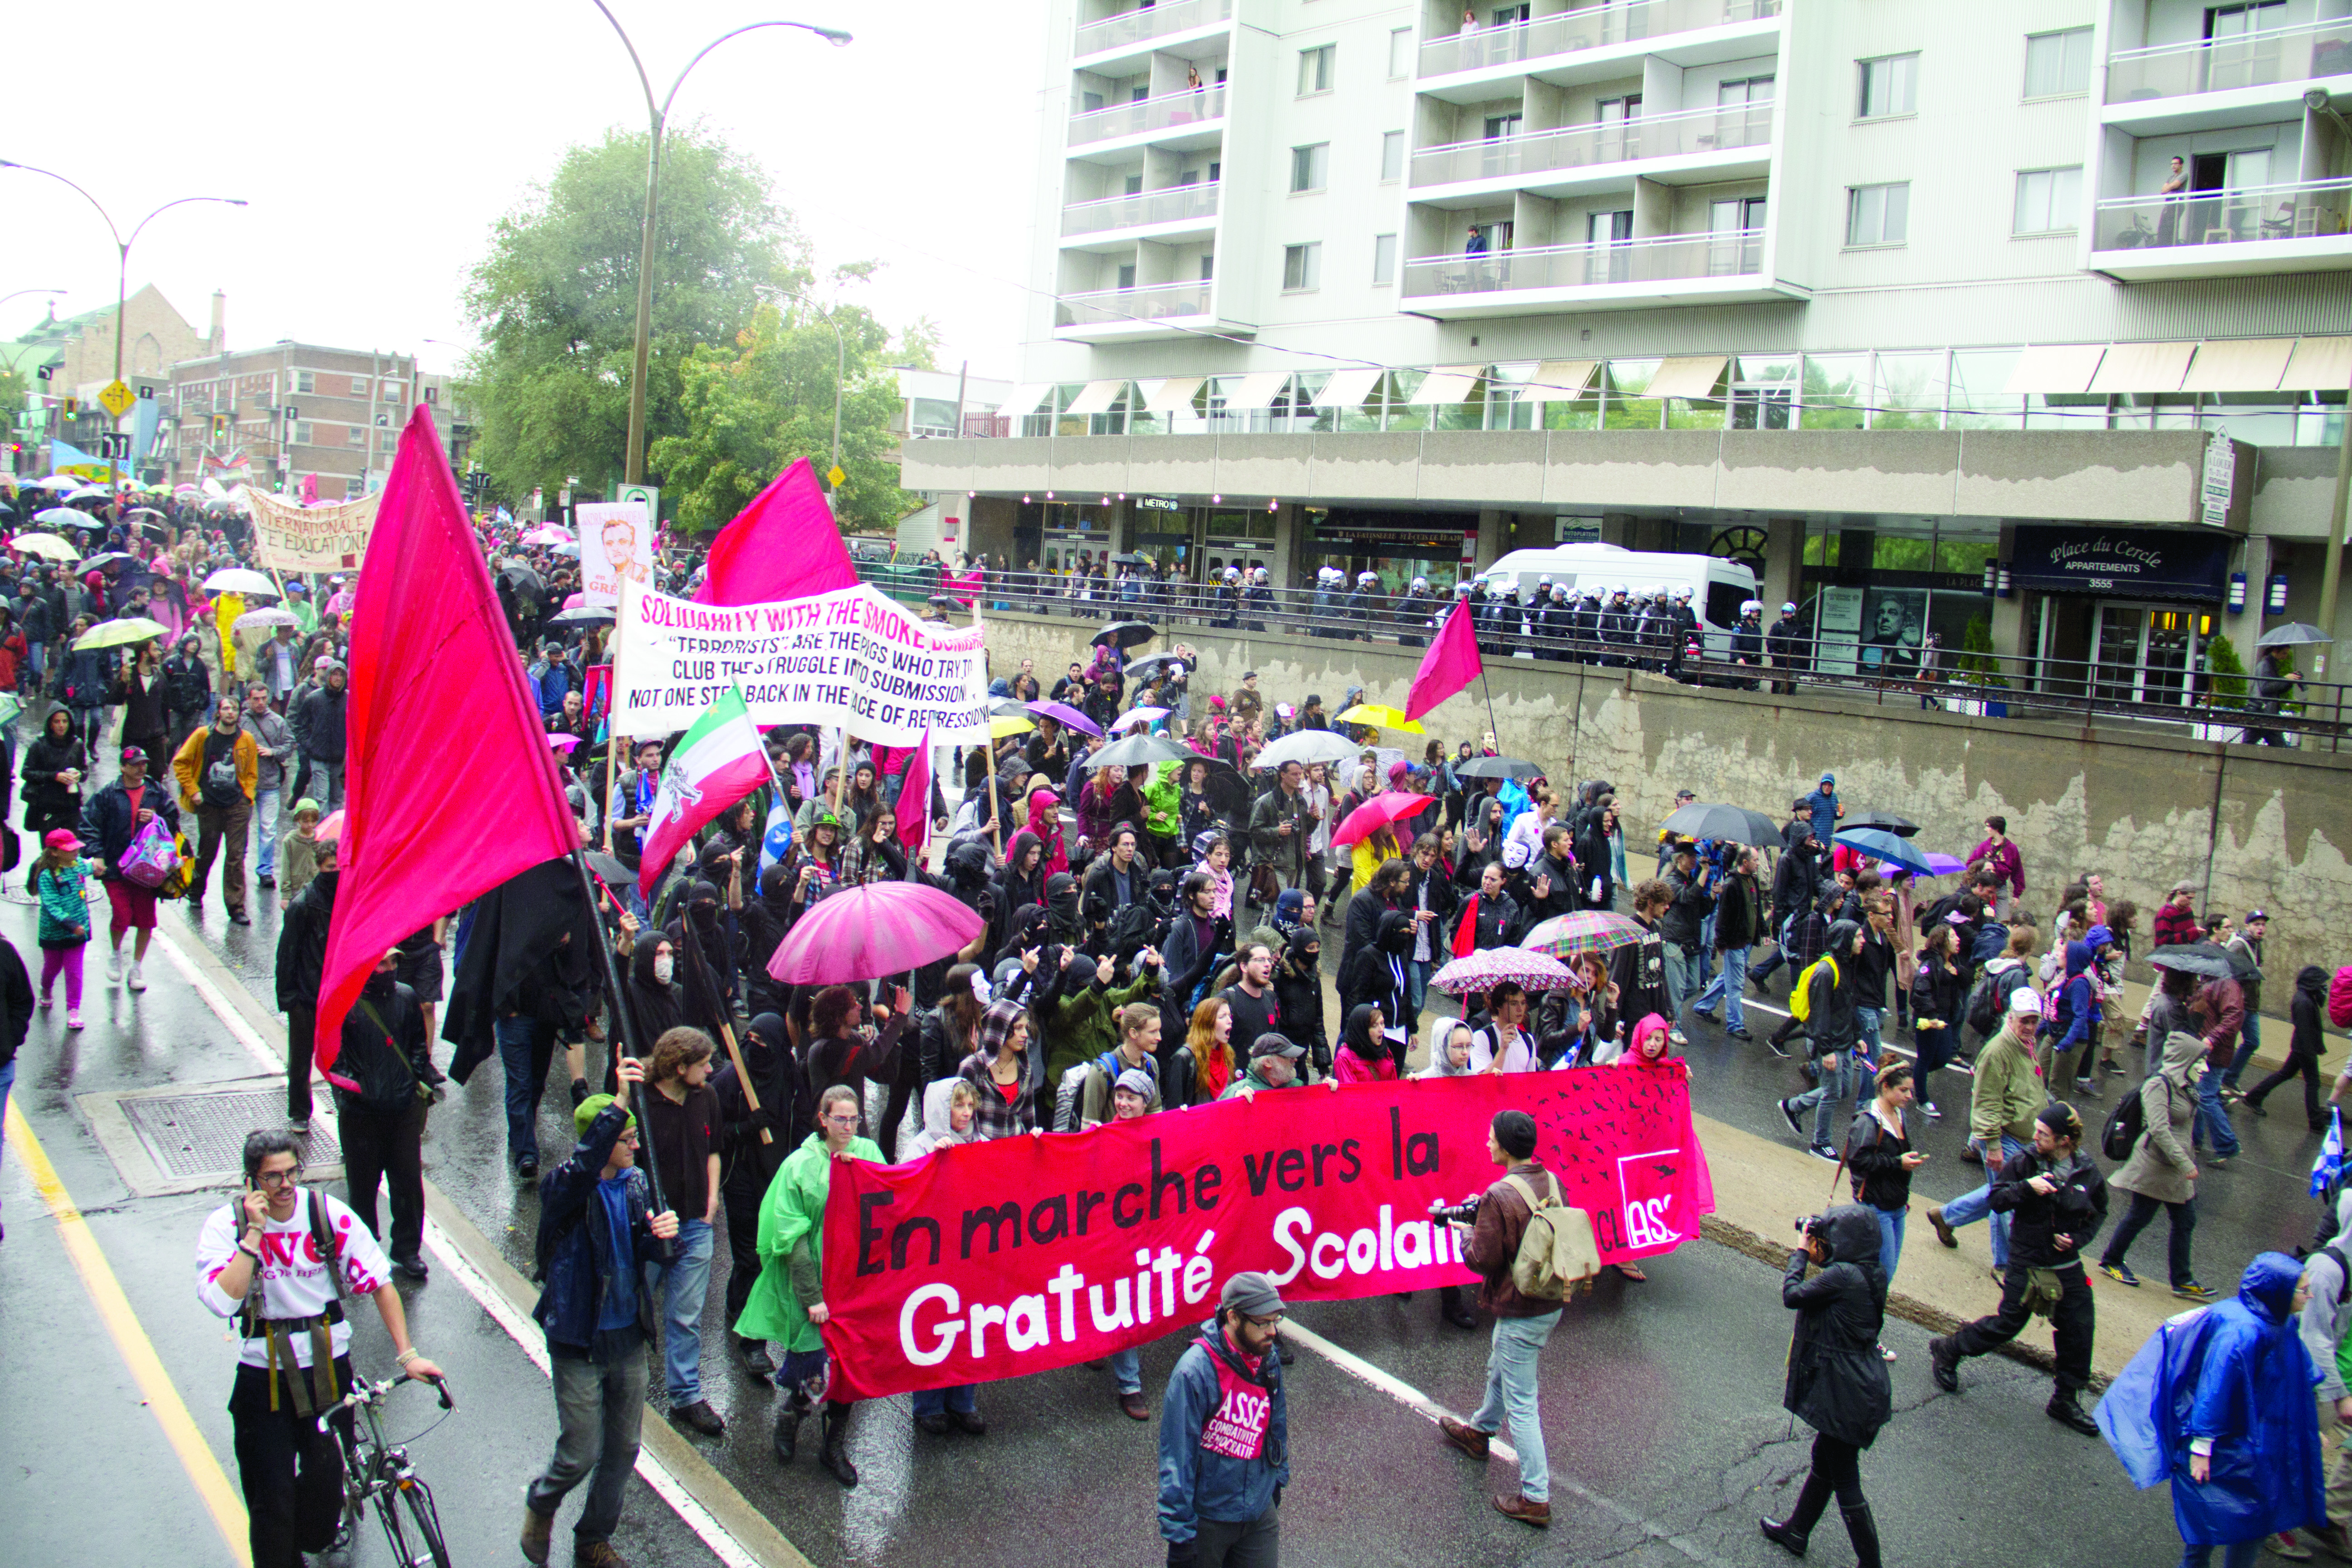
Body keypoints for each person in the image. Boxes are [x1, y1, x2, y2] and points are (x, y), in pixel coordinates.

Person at [197, 1129, 444, 1568]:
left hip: (329, 1375)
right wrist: (253, 1237)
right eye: (273, 1177)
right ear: (251, 1181)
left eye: (293, 1172)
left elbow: (381, 1284)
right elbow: (222, 1301)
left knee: (322, 1500)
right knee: (271, 1505)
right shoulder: (226, 1226)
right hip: (262, 1381)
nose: (286, 1185)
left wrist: (408, 1355)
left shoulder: (327, 1215)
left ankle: (309, 1528)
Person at [521, 1060, 680, 1567]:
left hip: (626, 1335)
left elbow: (637, 1253)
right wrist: (619, 1101)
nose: (636, 1146)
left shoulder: (635, 1186)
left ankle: (592, 1537)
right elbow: (586, 1163)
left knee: (624, 1448)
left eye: (635, 1137)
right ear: (599, 1139)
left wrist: (657, 1240)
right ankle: (543, 1501)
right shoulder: (565, 1187)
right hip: (579, 1336)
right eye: (626, 1137)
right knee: (581, 1451)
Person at [2135, 1254, 2329, 1568]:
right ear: (2280, 1291)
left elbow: (2294, 1377)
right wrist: (2202, 1447)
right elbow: (2216, 1389)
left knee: (2245, 1522)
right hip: (2227, 1448)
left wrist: (2308, 1427)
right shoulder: (2244, 1332)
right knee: (2211, 1527)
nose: (2310, 1296)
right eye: (2304, 1290)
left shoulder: (2281, 1322)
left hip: (2252, 1444)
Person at [1929, 1102, 2107, 1434]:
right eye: (2036, 1131)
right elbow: (1996, 1201)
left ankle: (2065, 1399)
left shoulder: (2086, 1170)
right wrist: (2028, 1188)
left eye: (2044, 1134)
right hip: (2027, 1258)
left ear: (2065, 1141)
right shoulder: (2025, 1162)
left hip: (2066, 1262)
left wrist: (2077, 1239)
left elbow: (2098, 1212)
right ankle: (1949, 1349)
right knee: (2010, 1322)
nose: (2036, 1137)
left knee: (2080, 1327)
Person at [738, 1083, 883, 1487]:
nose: (850, 1127)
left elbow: (895, 1198)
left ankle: (833, 1447)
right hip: (818, 1286)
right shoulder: (799, 1167)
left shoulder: (868, 1154)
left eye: (855, 1119)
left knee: (851, 1371)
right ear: (823, 1120)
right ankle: (792, 1416)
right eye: (841, 1119)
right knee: (816, 1368)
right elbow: (792, 1238)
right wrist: (813, 1297)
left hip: (855, 1287)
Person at [1436, 1109, 1563, 1527]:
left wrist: (1465, 1233)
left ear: (1507, 1148)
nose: (1486, 1143)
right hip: (1550, 1300)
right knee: (1500, 1366)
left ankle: (1536, 1496)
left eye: (1491, 1138)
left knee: (1523, 1404)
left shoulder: (1498, 1195)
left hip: (1519, 1307)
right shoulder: (1548, 1179)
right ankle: (1479, 1432)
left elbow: (1481, 1260)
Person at [1758, 1206, 1891, 1567]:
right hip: (1862, 1385)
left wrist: (1801, 1252)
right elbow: (1831, 1285)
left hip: (1846, 1394)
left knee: (1845, 1478)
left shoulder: (1844, 1276)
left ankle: (1871, 1564)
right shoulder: (1872, 1272)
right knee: (1824, 1461)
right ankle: (1797, 1532)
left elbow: (1793, 1295)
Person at [1158, 1270, 1291, 1568]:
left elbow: (1276, 1424)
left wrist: (1277, 1480)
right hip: (1210, 1519)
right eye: (1263, 1322)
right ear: (1233, 1318)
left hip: (1258, 1511)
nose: (1273, 1332)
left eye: (1275, 1321)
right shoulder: (1193, 1373)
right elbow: (1177, 1459)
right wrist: (1180, 1539)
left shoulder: (1267, 1358)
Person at [638, 1026, 727, 1437]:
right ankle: (620, 1384)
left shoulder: (705, 1097)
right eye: (704, 1063)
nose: (711, 1070)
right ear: (679, 1067)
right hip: (649, 1227)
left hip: (695, 1223)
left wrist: (711, 1199)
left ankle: (685, 1394)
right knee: (631, 1307)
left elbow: (713, 1149)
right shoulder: (642, 1102)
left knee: (686, 1315)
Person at [1926, 986, 2046, 1274]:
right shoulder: (1998, 1052)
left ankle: (1946, 1216)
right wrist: (1992, 1145)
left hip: (2022, 1139)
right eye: (2024, 1021)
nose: (2030, 1027)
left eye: (2034, 1021)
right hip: (2004, 1138)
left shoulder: (2025, 1046)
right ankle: (2005, 1265)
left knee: (2000, 1192)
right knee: (2008, 1201)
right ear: (2011, 1018)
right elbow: (1986, 1102)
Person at [2101, 1031, 2210, 1298]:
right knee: (2141, 1216)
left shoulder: (2186, 1087)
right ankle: (2112, 1260)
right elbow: (2159, 1130)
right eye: (2199, 1063)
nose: (2205, 1069)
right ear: (2184, 1062)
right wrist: (2186, 1164)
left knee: (2185, 1221)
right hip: (2156, 1165)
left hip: (2175, 1168)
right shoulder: (2158, 1085)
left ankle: (2182, 1280)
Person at [79, 743, 179, 994]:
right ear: (123, 767)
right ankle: (115, 953)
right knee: (122, 914)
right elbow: (89, 824)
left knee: (146, 919)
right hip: (115, 867)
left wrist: (156, 819)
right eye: (135, 765)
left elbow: (173, 821)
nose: (141, 769)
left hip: (147, 868)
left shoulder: (156, 792)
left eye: (144, 764)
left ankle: (136, 967)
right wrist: (97, 856)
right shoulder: (107, 794)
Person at [1779, 920, 1863, 1161]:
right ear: (1845, 940)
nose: (1863, 941)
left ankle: (1793, 1106)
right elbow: (1819, 1015)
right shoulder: (1826, 973)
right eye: (1858, 937)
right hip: (1831, 1046)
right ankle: (1820, 1143)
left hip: (1844, 1042)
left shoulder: (1846, 964)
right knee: (1831, 1093)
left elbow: (1847, 1005)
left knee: (1842, 1090)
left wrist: (1856, 1037)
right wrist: (1826, 1051)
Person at [172, 692, 259, 923]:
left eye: (235, 709)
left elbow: (251, 772)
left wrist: (247, 796)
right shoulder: (203, 735)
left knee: (236, 855)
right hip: (209, 804)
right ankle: (195, 892)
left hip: (236, 805)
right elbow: (180, 763)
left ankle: (236, 906)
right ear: (218, 712)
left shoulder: (246, 739)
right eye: (226, 708)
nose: (231, 713)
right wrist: (193, 791)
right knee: (207, 853)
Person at [1845, 1061, 1926, 1303]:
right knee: (1882, 1276)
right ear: (1886, 1087)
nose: (1910, 1096)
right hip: (1875, 1207)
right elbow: (1858, 1162)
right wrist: (1897, 1163)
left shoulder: (1899, 1115)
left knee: (1883, 1276)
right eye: (1904, 1091)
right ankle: (1860, 1324)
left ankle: (1859, 1321)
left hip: (1897, 1207)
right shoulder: (1868, 1121)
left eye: (1911, 1091)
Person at [2246, 966, 2332, 1133]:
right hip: (2304, 1049)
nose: (2324, 988)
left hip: (2302, 1048)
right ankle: (2316, 1122)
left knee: (2285, 1074)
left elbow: (2312, 1027)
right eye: (2321, 984)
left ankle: (2254, 1097)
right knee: (2313, 1083)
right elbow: (2304, 1031)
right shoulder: (2303, 1002)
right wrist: (2311, 1053)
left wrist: (2318, 1046)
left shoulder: (2308, 998)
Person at [32, 828, 95, 1030]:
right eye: (70, 850)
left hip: (78, 932)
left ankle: (73, 1011)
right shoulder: (47, 876)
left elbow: (94, 867)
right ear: (54, 852)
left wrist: (104, 866)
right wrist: (71, 925)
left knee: (74, 971)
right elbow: (51, 906)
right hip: (54, 933)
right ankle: (46, 989)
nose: (76, 852)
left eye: (76, 848)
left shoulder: (78, 867)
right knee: (52, 968)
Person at [241, 682, 294, 889]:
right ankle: (238, 868)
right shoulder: (241, 721)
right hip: (245, 784)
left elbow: (290, 746)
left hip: (270, 783)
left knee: (268, 829)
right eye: (256, 699)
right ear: (248, 699)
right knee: (241, 829)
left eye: (264, 698)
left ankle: (265, 871)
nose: (261, 703)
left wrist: (273, 752)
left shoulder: (277, 721)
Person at [289, 658, 348, 811]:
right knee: (322, 798)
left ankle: (334, 833)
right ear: (328, 676)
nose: (337, 678)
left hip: (339, 758)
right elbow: (299, 724)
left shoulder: (349, 699)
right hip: (318, 756)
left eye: (341, 675)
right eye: (334, 675)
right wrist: (309, 744)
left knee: (337, 798)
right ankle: (324, 831)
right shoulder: (314, 698)